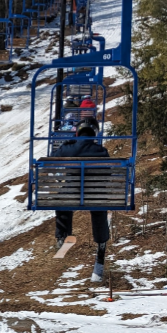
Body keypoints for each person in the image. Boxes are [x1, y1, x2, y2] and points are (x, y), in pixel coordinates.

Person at [53, 118, 110, 282]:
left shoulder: (69, 149)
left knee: (63, 200)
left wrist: (68, 144)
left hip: (71, 194)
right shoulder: (101, 151)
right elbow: (108, 173)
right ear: (94, 133)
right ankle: (101, 242)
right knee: (98, 207)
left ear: (78, 132)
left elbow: (53, 159)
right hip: (95, 196)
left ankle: (62, 235)